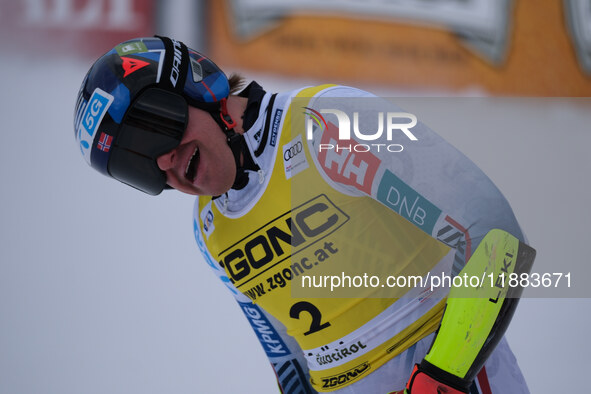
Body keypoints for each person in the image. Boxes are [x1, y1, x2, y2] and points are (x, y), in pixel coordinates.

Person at [74, 36, 535, 393]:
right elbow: (287, 360)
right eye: (136, 166)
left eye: (153, 132)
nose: (164, 163)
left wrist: (443, 377)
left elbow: (495, 235)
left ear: (195, 86)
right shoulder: (210, 231)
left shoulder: (325, 122)